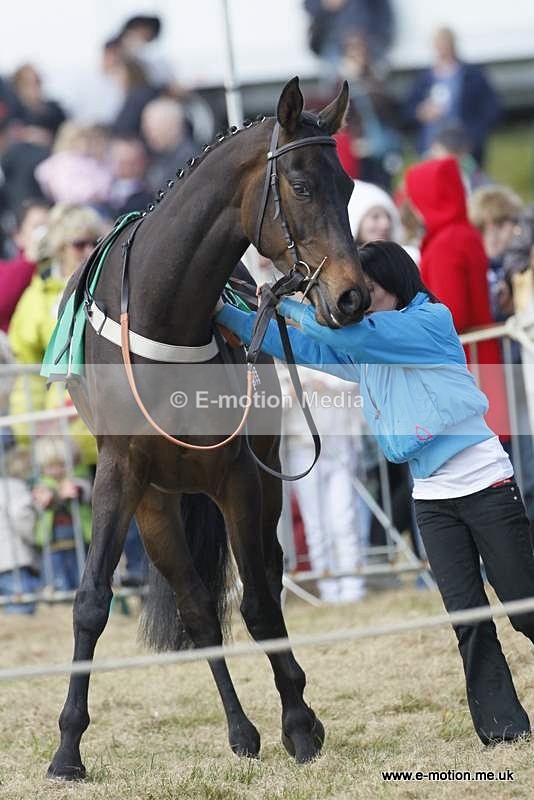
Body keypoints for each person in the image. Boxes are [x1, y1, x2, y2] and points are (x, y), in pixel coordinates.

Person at [216, 240, 534, 744]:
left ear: (391, 284)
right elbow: (306, 349)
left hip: (484, 483)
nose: (357, 297)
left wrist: (288, 303)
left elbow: (347, 337)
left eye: (366, 287)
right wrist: (231, 314)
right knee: (468, 619)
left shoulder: (429, 320)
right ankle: (504, 732)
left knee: (524, 605)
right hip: (431, 497)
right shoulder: (370, 343)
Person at [404, 156, 510, 441]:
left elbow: (452, 315)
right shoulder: (464, 234)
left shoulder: (445, 245)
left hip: (465, 367)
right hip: (480, 357)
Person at [8, 203, 104, 466]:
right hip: (63, 450)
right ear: (61, 248)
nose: (88, 250)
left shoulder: (112, 289)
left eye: (94, 241)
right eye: (79, 243)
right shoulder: (36, 298)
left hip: (115, 433)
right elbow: (27, 371)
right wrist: (30, 432)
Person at [405, 27, 499, 164]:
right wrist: (421, 112)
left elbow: (491, 109)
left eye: (445, 43)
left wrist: (475, 136)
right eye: (438, 44)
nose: (441, 48)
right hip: (431, 148)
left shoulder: (472, 75)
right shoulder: (424, 78)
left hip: (462, 148)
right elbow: (407, 110)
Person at [33, 437, 91, 592]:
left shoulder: (78, 478)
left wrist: (74, 490)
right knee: (55, 568)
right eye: (51, 466)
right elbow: (40, 500)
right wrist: (49, 496)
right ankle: (56, 589)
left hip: (79, 538)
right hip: (53, 539)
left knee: (81, 567)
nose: (57, 470)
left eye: (62, 465)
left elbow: (84, 490)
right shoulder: (42, 485)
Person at [0, 445, 39, 613]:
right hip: (13, 560)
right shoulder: (16, 487)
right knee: (20, 610)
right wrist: (36, 537)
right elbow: (20, 516)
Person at [0, 199, 49, 331]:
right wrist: (30, 260)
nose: (45, 232)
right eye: (38, 227)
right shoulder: (6, 270)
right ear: (19, 236)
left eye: (50, 226)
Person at [140, 97, 196, 193]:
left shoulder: (189, 160)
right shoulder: (158, 156)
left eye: (152, 128)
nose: (147, 134)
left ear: (171, 127)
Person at [106, 135, 152, 217]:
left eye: (131, 163)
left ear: (143, 162)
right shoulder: (103, 191)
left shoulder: (149, 196)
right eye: (121, 162)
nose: (126, 168)